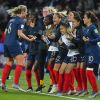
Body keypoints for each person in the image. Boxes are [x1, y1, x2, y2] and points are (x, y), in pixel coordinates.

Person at [0, 5, 35, 92]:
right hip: (13, 43)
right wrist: (29, 39)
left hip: (6, 42)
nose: (26, 13)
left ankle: (3, 83)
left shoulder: (11, 20)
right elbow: (19, 33)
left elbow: (5, 32)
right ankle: (16, 84)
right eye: (26, 12)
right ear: (22, 11)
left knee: (9, 62)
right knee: (21, 61)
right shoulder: (21, 21)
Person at [83, 11, 100, 98]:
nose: (83, 19)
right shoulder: (86, 28)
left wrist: (89, 41)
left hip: (93, 52)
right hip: (88, 52)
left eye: (84, 17)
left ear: (89, 19)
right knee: (88, 72)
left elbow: (98, 38)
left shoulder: (93, 27)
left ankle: (96, 90)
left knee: (89, 71)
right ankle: (95, 90)